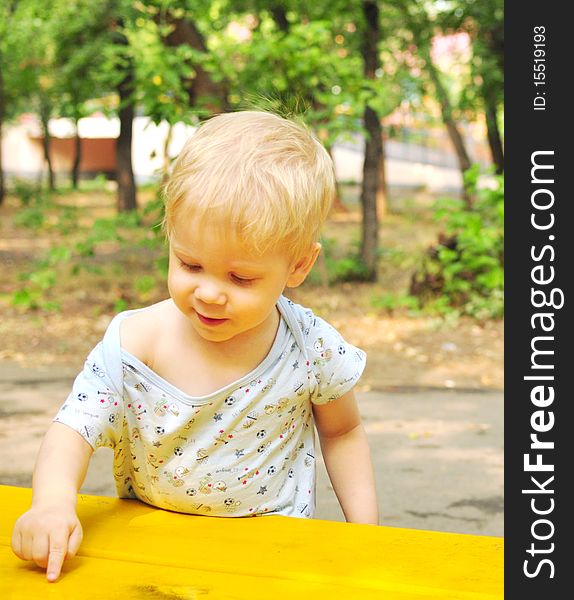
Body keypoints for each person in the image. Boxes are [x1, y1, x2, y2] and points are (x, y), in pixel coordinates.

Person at [11, 110, 379, 582]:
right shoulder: (134, 346)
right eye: (190, 264)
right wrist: (52, 504)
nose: (209, 292)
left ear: (298, 266)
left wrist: (366, 534)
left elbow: (343, 431)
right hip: (151, 552)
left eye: (241, 277)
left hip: (274, 558)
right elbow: (73, 431)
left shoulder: (309, 347)